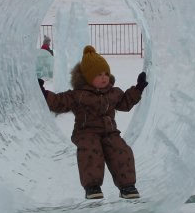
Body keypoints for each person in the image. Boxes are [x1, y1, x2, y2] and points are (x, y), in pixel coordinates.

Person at [40, 45, 148, 200]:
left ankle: (127, 186)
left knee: (122, 151)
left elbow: (125, 104)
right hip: (86, 132)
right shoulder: (78, 95)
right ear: (87, 77)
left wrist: (137, 88)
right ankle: (92, 187)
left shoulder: (114, 92)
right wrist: (44, 93)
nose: (104, 77)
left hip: (109, 132)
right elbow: (59, 102)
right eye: (98, 74)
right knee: (91, 151)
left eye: (106, 73)